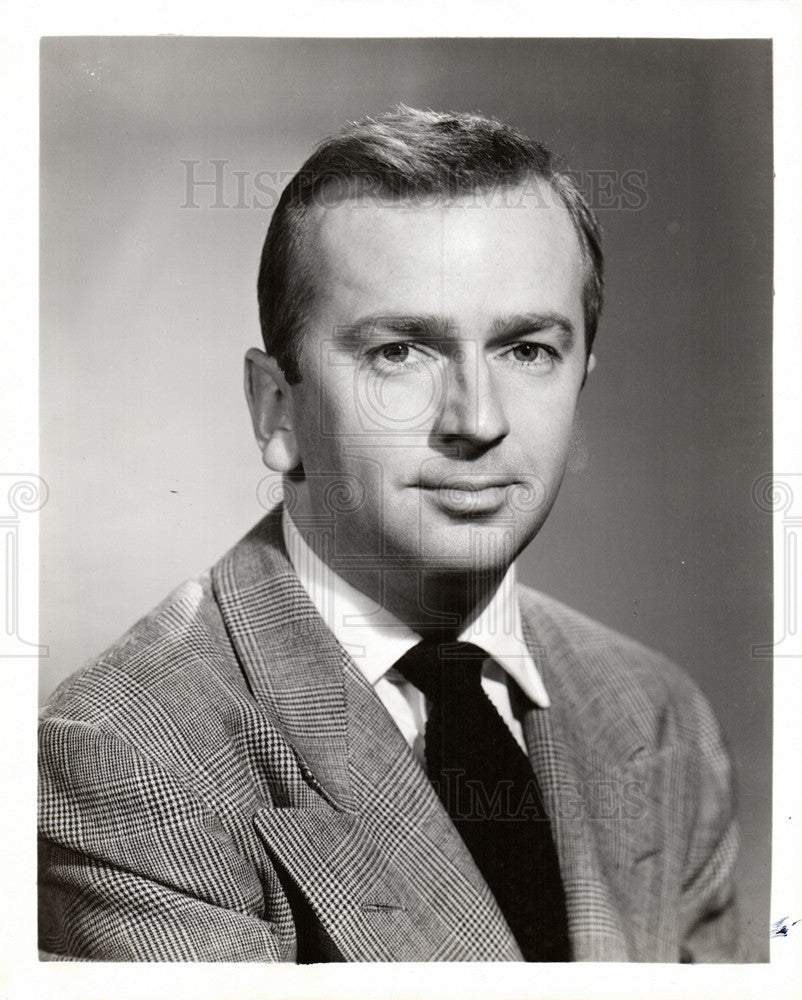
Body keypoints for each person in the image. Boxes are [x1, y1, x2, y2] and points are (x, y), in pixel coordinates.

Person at [38, 106, 743, 962]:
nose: (476, 421)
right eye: (400, 352)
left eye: (526, 350)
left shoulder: (656, 712)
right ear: (277, 407)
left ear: (581, 375)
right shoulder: (130, 753)